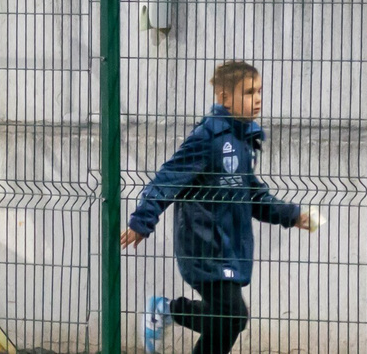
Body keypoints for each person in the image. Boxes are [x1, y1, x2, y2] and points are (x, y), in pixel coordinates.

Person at [130, 58, 316, 354]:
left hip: (229, 247)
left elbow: (251, 194)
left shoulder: (244, 139)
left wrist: (292, 216)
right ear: (224, 98)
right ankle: (167, 310)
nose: (257, 99)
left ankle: (168, 311)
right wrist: (142, 220)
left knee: (227, 324)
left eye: (259, 91)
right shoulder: (208, 137)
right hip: (203, 245)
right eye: (248, 92)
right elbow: (168, 178)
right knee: (233, 315)